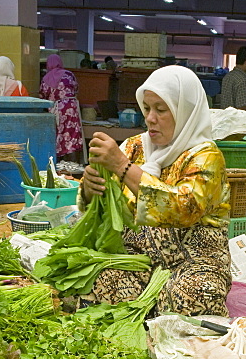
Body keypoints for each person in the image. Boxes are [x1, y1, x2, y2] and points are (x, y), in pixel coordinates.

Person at [80, 65, 231, 316]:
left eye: (161, 110)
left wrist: (121, 166)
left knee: (194, 296)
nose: (150, 118)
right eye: (147, 108)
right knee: (96, 285)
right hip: (138, 258)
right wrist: (89, 189)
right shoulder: (134, 147)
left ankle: (159, 310)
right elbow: (107, 209)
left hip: (194, 262)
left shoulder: (206, 157)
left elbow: (184, 208)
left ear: (185, 112)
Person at [40, 55, 84, 159]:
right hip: (71, 107)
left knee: (58, 136)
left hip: (56, 109)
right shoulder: (69, 74)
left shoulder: (46, 78)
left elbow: (42, 95)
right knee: (72, 136)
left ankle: (59, 164)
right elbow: (76, 89)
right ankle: (74, 166)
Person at [220, 46, 246, 115]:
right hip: (236, 121)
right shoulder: (242, 80)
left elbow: (232, 98)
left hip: (225, 118)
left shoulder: (228, 76)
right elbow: (241, 107)